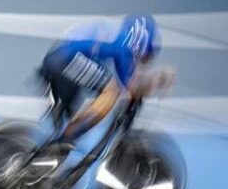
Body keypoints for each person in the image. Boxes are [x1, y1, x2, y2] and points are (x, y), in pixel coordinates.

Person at [38, 14, 175, 152]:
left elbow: (132, 78)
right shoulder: (124, 45)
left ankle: (58, 146)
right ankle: (68, 137)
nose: (140, 61)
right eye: (144, 56)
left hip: (58, 59)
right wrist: (158, 78)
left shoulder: (118, 37)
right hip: (65, 59)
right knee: (111, 91)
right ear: (142, 43)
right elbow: (131, 86)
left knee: (72, 118)